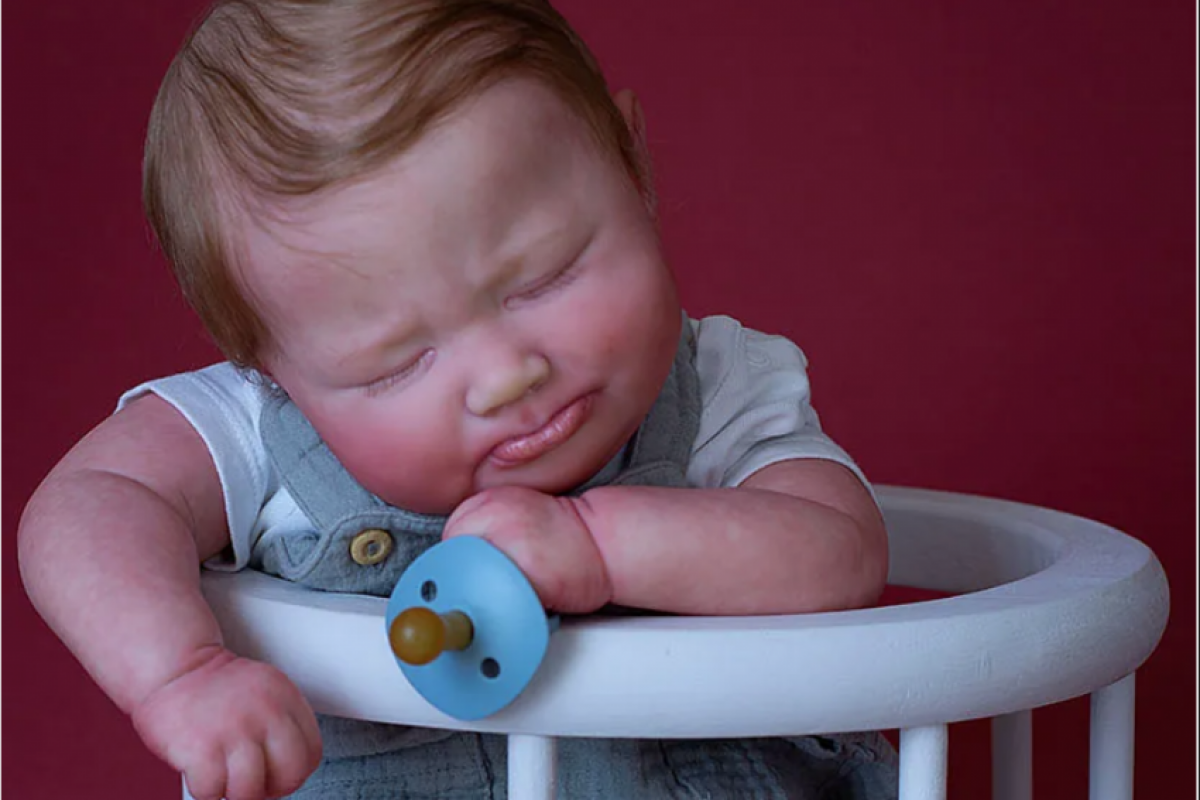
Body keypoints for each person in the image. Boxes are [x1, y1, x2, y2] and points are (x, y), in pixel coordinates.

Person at [18, 1, 895, 798]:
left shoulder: (721, 387)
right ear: (269, 367)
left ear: (633, 166)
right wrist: (178, 669)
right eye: (394, 363)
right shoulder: (251, 431)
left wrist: (601, 544)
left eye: (545, 276)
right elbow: (87, 506)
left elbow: (839, 553)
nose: (505, 374)